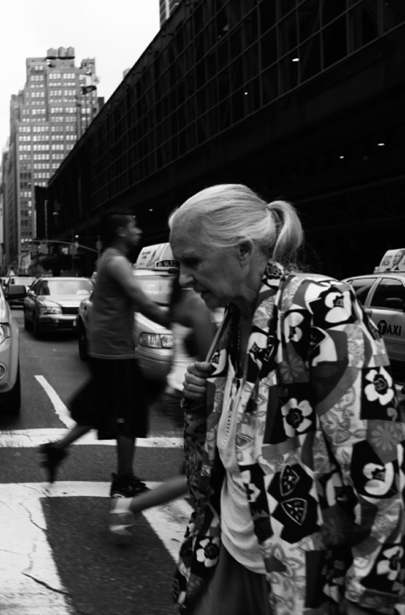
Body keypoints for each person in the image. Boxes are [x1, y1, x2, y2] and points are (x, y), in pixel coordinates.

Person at [170, 184, 403, 615]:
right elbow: (238, 447)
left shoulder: (318, 305)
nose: (183, 278)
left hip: (301, 577)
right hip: (228, 554)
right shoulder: (233, 322)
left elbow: (376, 454)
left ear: (242, 251)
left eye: (192, 261)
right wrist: (201, 402)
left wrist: (372, 591)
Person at [39, 211, 171, 498]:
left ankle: (55, 450)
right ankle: (124, 479)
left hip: (108, 350)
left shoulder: (108, 260)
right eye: (134, 226)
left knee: (99, 411)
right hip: (115, 353)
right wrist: (171, 319)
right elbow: (138, 297)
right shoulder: (117, 261)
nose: (139, 231)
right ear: (121, 231)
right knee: (129, 416)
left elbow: (120, 302)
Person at [109, 273, 216, 535]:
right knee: (197, 474)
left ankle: (207, 523)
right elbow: (212, 359)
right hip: (194, 394)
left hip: (178, 389)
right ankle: (129, 505)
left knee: (195, 469)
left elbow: (176, 354)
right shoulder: (198, 305)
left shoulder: (182, 302)